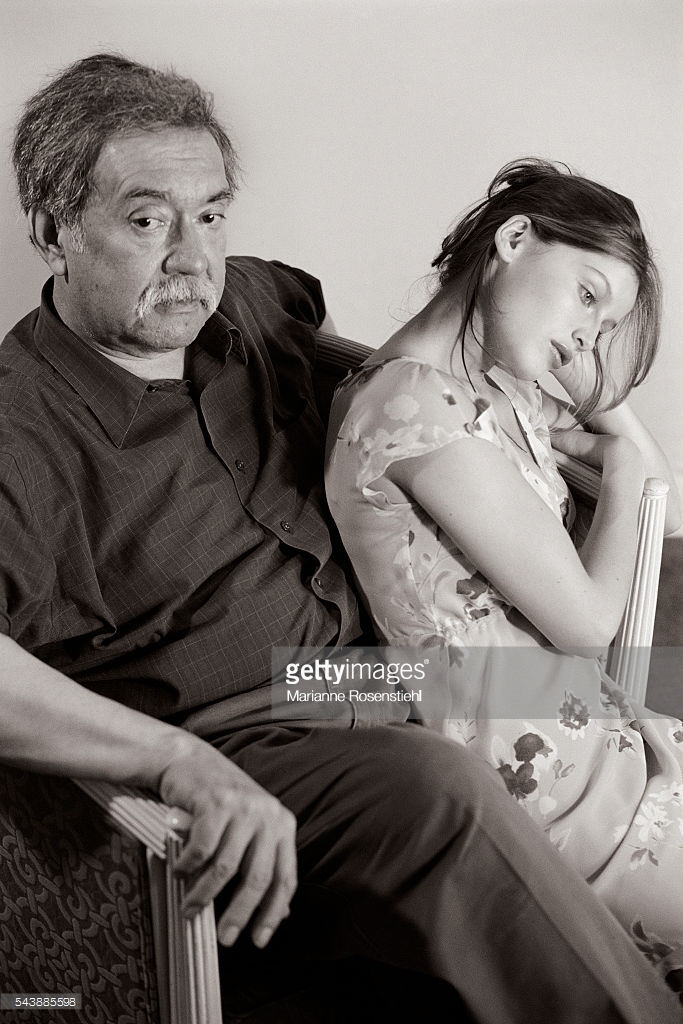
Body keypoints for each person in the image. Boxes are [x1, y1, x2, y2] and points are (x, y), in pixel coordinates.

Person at [2, 55, 681, 1023]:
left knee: (645, 697)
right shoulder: (20, 428)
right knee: (444, 784)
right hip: (241, 726)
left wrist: (496, 414)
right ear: (52, 229)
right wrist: (172, 761)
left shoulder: (246, 302)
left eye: (212, 212)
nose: (193, 258)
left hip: (360, 675)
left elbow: (371, 368)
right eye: (148, 220)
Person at [325, 157, 683, 999]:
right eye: (586, 295)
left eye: (602, 327)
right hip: (546, 780)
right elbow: (597, 631)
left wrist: (592, 365)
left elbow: (621, 474)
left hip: (587, 732)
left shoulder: (487, 389)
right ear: (514, 238)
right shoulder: (416, 410)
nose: (582, 341)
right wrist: (633, 465)